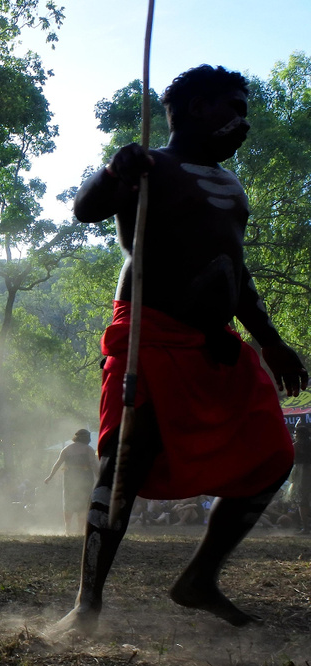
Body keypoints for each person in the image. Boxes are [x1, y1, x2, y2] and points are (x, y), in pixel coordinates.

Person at [53, 65, 308, 635]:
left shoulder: (233, 187)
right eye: (234, 107)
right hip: (151, 331)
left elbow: (235, 271)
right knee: (125, 460)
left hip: (215, 344)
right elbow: (87, 209)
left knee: (271, 455)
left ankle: (199, 579)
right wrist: (118, 166)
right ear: (198, 107)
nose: (244, 121)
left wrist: (271, 341)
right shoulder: (150, 166)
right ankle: (86, 604)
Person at [44, 429, 98, 535]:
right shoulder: (88, 449)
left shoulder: (67, 449)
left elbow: (58, 464)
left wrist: (50, 477)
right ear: (87, 438)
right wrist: (99, 476)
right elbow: (93, 463)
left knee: (69, 503)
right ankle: (78, 529)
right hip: (84, 479)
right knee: (82, 504)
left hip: (70, 479)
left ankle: (68, 529)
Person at [293, 422, 311, 534]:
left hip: (302, 472)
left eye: (296, 433)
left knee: (302, 500)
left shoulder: (296, 445)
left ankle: (305, 528)